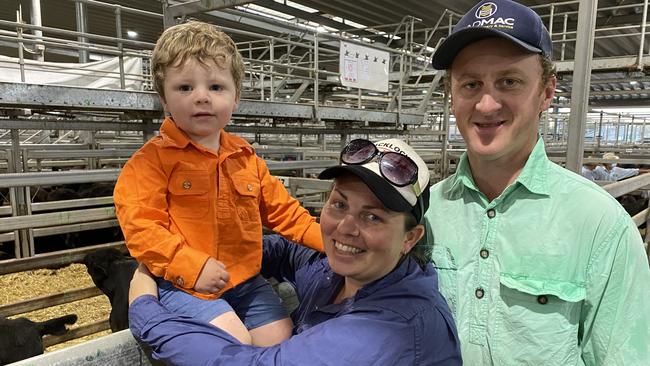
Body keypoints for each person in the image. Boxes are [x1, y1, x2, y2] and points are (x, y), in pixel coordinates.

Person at [425, 0, 650, 365]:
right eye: (470, 84)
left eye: (509, 82)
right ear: (452, 95)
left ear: (546, 92)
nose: (485, 104)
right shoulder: (425, 211)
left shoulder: (599, 225)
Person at [128, 138, 462, 365]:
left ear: (410, 238)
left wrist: (145, 308)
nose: (346, 227)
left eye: (373, 216)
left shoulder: (387, 329)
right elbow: (286, 251)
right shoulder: (334, 269)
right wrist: (198, 258)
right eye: (339, 204)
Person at [113, 21, 323, 346]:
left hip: (244, 280)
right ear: (163, 98)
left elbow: (286, 213)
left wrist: (329, 240)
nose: (201, 97)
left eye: (216, 87)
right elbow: (141, 227)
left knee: (280, 335)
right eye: (184, 88)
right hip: (183, 283)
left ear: (235, 97)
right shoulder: (150, 162)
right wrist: (191, 266)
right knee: (230, 338)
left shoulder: (246, 158)